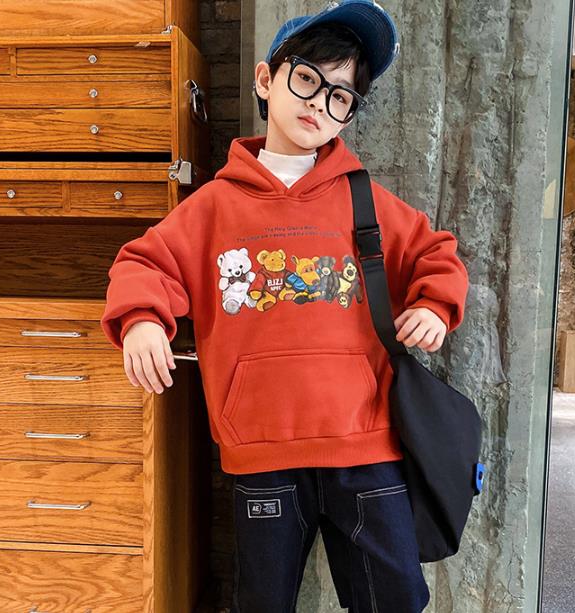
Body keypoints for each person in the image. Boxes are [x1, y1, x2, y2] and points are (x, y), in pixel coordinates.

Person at [100, 1, 470, 610]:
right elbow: (145, 262)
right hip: (261, 450)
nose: (318, 104)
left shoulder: (364, 200)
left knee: (395, 599)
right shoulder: (214, 206)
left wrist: (434, 305)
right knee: (263, 603)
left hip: (366, 444)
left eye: (339, 96)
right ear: (266, 79)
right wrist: (142, 319)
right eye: (306, 79)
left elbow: (437, 253)